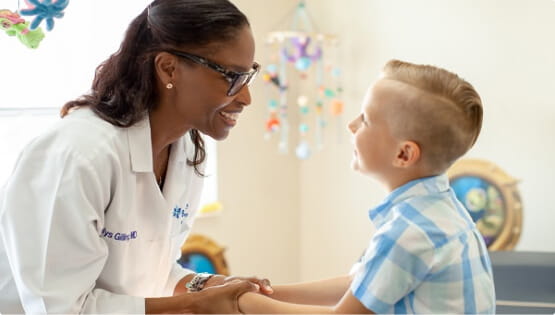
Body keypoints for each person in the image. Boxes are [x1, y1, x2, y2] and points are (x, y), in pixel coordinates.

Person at [0, 0, 274, 313]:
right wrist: (197, 304)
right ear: (168, 67)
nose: (246, 97)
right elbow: (58, 308)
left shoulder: (186, 152)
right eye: (231, 77)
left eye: (248, 76)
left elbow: (152, 275)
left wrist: (209, 285)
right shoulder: (78, 155)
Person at [238, 60, 496, 314]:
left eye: (365, 120)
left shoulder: (408, 232)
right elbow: (361, 285)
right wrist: (260, 292)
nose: (352, 125)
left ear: (404, 155)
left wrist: (240, 303)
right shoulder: (443, 212)